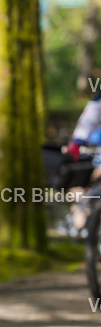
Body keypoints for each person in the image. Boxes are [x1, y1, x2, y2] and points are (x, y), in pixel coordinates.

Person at [66, 91, 101, 233]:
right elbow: (91, 115)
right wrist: (78, 139)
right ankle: (80, 214)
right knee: (84, 183)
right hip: (95, 150)